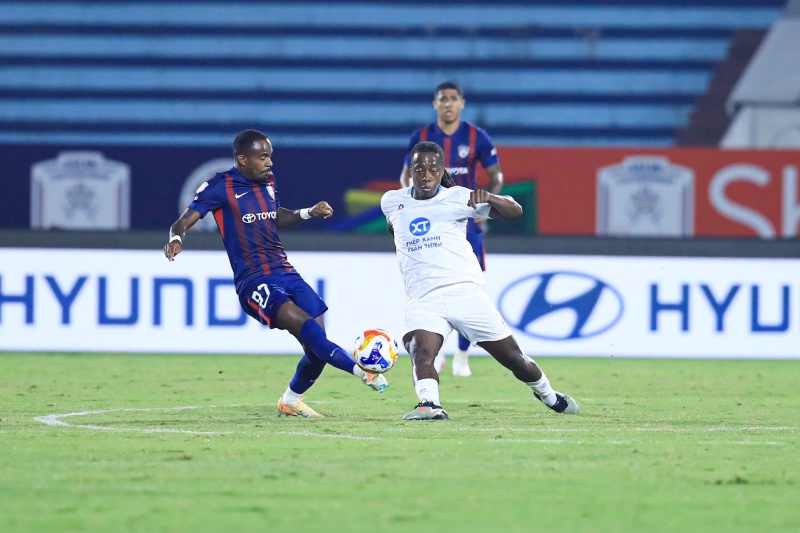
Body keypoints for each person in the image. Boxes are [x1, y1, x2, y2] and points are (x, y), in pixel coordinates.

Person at [164, 129, 388, 418]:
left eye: (270, 155)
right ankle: (361, 372)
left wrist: (309, 212)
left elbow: (275, 216)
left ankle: (291, 401)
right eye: (263, 157)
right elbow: (183, 221)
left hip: (285, 271)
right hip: (254, 281)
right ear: (243, 160)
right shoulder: (219, 187)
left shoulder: (267, 181)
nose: (270, 162)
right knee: (306, 327)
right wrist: (176, 239)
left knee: (317, 342)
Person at [382, 141, 579, 421]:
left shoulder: (459, 197)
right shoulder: (391, 201)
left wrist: (493, 198)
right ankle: (429, 405)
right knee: (420, 351)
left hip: (465, 294)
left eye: (433, 169)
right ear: (410, 172)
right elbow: (397, 231)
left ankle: (549, 395)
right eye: (419, 168)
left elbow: (516, 212)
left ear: (441, 172)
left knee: (514, 359)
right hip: (424, 299)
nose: (426, 175)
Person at [400, 81, 504, 377]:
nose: (447, 103)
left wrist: (485, 205)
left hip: (464, 220)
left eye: (453, 98)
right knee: (430, 279)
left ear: (462, 103)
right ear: (435, 104)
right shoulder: (421, 137)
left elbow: (496, 176)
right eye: (442, 99)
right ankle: (439, 347)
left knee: (468, 283)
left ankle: (462, 354)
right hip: (430, 223)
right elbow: (407, 175)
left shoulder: (476, 136)